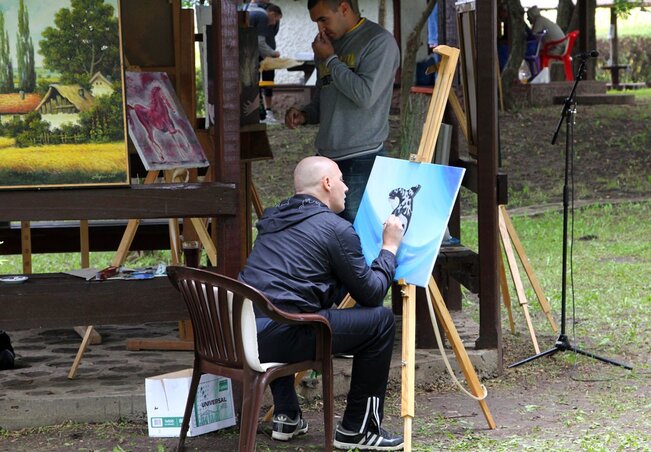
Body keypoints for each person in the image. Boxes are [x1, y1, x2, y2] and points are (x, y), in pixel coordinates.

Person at [239, 156, 405, 450]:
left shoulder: (273, 218)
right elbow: (372, 293)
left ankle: (287, 414)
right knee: (380, 321)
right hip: (280, 335)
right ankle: (357, 429)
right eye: (341, 180)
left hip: (243, 333)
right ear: (327, 183)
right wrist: (389, 248)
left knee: (280, 305)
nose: (346, 188)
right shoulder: (334, 228)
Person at [285, 0, 400, 223]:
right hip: (326, 160)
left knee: (358, 239)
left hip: (362, 159)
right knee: (325, 238)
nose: (320, 29)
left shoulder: (378, 42)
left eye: (323, 19)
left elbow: (365, 96)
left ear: (344, 8)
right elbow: (325, 98)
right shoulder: (328, 45)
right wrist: (305, 113)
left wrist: (330, 59)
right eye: (316, 22)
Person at [246, 1, 283, 124]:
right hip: (260, 54)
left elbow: (272, 34)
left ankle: (267, 111)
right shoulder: (260, 15)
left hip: (266, 54)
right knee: (256, 82)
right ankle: (260, 112)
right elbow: (260, 42)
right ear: (271, 13)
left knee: (267, 82)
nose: (274, 23)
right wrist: (272, 53)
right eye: (275, 19)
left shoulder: (264, 13)